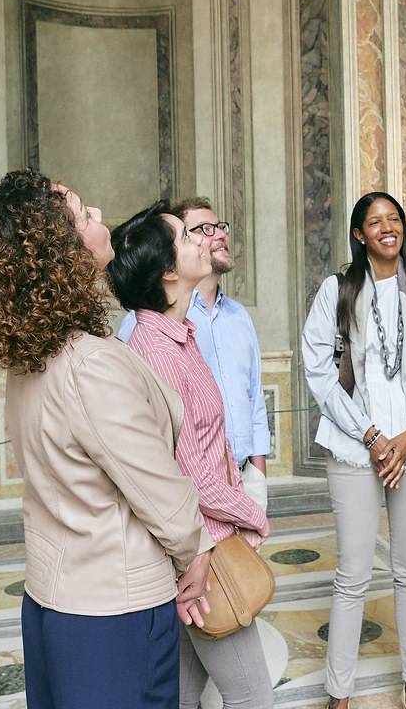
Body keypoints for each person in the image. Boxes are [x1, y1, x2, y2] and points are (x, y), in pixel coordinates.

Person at [0, 169, 215, 709]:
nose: (100, 217)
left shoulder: (31, 358)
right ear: (59, 255)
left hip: (53, 601)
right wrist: (196, 550)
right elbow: (155, 484)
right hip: (113, 611)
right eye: (86, 215)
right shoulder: (89, 364)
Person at [107, 201, 274, 709]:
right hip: (200, 549)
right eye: (187, 236)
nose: (206, 238)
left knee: (177, 692)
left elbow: (211, 438)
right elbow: (187, 473)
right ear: (169, 272)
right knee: (252, 696)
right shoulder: (154, 350)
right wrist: (251, 514)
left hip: (195, 548)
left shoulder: (181, 336)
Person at [301, 192, 406, 709]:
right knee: (352, 573)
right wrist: (371, 437)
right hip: (353, 449)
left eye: (394, 219)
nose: (387, 227)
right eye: (375, 222)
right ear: (359, 234)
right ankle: (338, 694)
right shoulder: (337, 290)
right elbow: (321, 374)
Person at [118, 199, 270, 511]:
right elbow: (179, 461)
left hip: (236, 481)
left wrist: (255, 479)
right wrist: (252, 516)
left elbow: (252, 399)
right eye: (195, 232)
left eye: (220, 228)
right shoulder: (149, 333)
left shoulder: (221, 320)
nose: (214, 237)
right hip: (196, 504)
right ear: (168, 266)